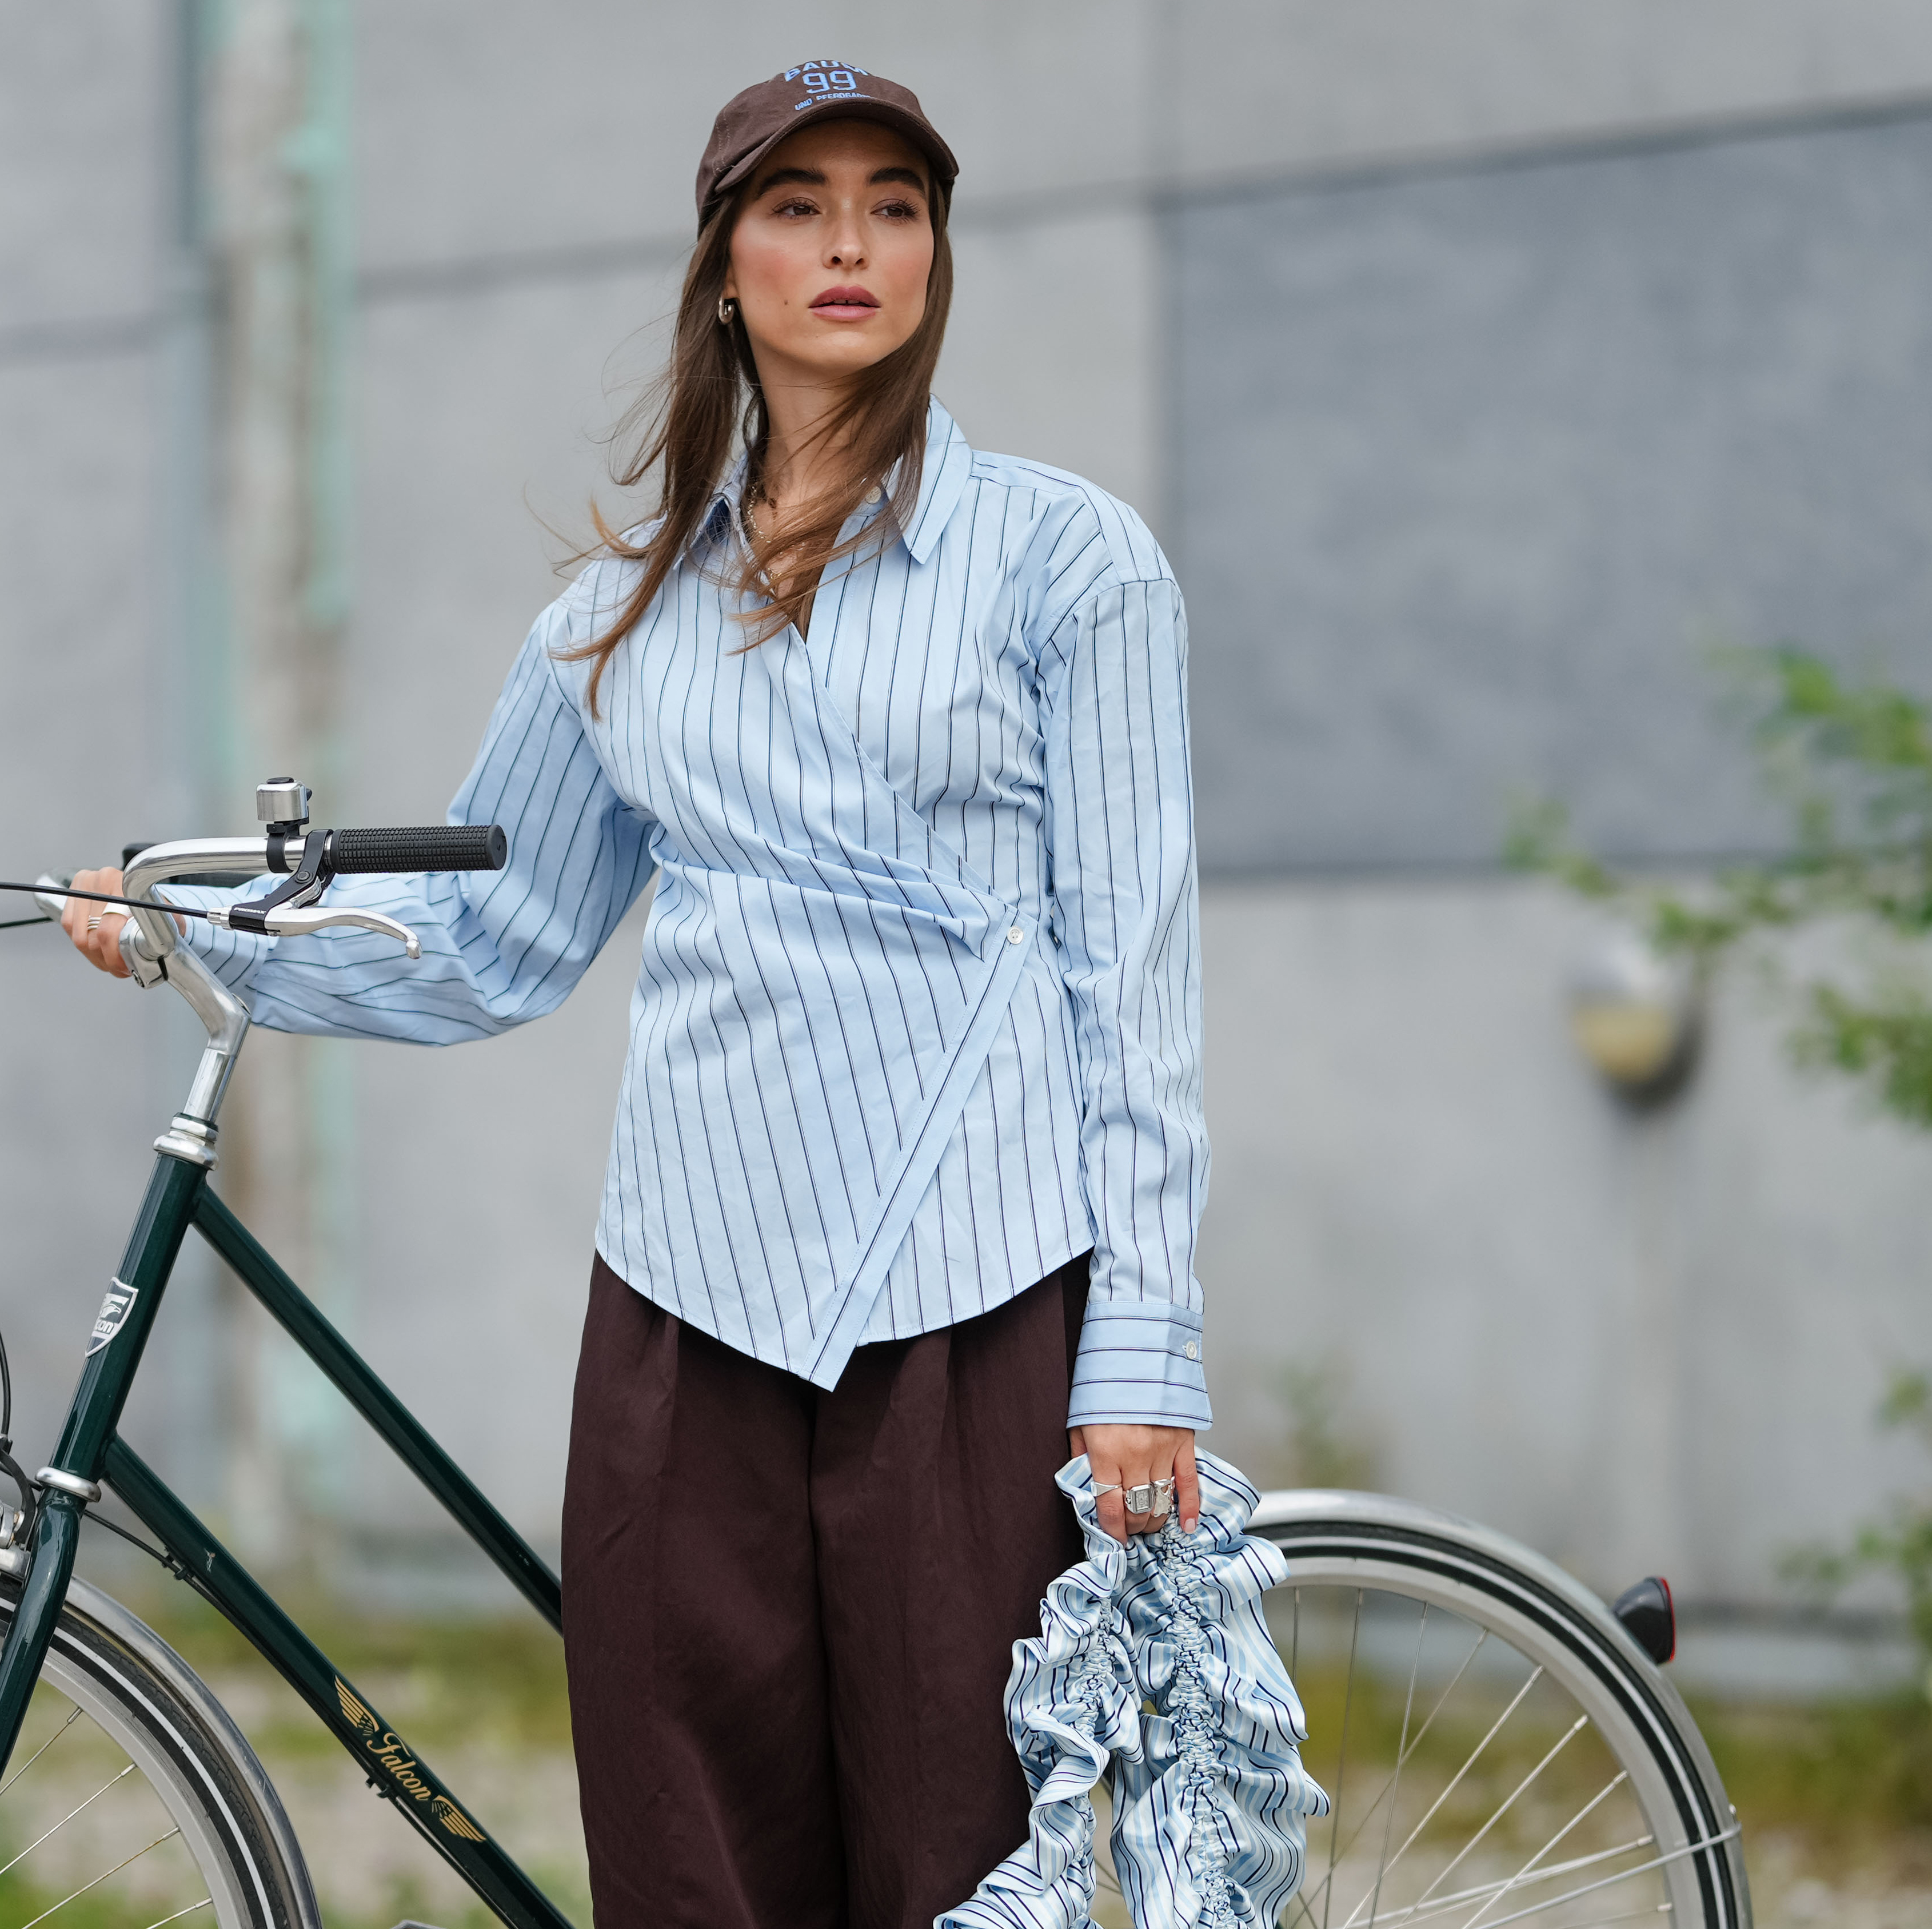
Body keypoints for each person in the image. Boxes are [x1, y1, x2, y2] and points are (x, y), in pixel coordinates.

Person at [63, 59, 1208, 1929]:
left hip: (975, 1290)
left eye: (894, 204)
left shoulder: (1066, 564)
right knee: (687, 1866)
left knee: (957, 1865)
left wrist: (1142, 1350)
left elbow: (1135, 979)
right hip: (686, 1296)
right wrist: (208, 941)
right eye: (798, 204)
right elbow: (495, 941)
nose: (851, 243)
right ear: (722, 261)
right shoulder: (610, 622)